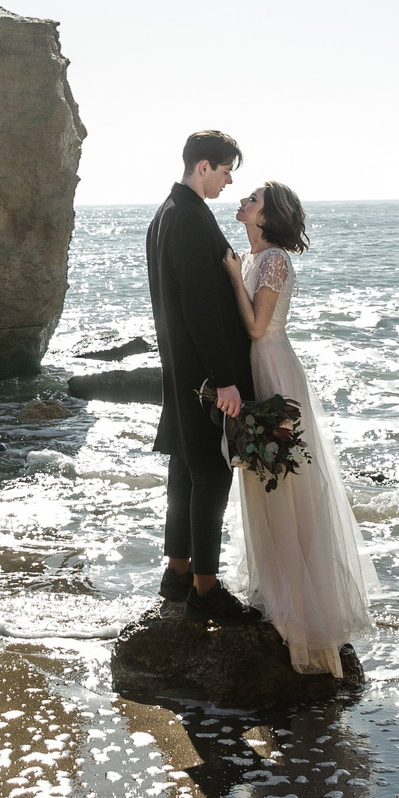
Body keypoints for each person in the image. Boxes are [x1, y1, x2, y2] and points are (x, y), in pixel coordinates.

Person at [221, 180, 376, 675]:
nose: (243, 201)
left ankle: (302, 606)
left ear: (267, 217)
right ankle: (275, 589)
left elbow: (256, 327)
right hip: (255, 370)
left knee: (286, 482)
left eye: (253, 199)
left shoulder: (273, 260)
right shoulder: (252, 258)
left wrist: (231, 277)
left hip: (273, 371)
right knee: (262, 481)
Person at [146, 129, 258, 624]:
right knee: (211, 473)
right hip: (201, 376)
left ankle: (177, 573)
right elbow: (199, 306)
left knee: (185, 471)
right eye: (226, 170)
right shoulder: (190, 217)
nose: (229, 181)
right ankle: (205, 591)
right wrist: (223, 377)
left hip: (179, 367)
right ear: (204, 166)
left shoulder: (165, 214)